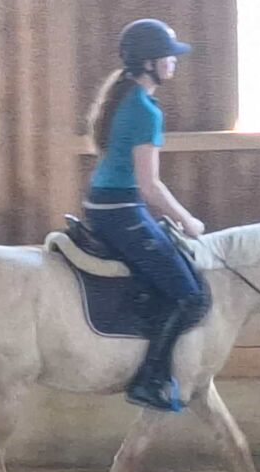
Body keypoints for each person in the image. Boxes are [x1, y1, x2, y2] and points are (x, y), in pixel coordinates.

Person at [85, 18, 211, 412]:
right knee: (189, 294)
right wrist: (189, 221)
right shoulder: (144, 110)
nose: (175, 62)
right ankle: (150, 378)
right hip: (121, 209)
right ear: (149, 63)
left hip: (106, 203)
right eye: (169, 57)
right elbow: (149, 185)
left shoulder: (125, 97)